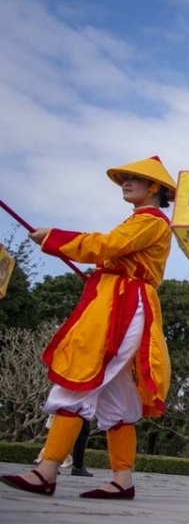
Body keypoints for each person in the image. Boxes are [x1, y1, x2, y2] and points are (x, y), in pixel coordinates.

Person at [2, 157, 175, 500]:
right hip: (115, 299)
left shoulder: (151, 220)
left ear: (153, 188)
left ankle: (46, 471)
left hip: (123, 306)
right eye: (124, 178)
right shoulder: (141, 221)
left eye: (133, 179)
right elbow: (112, 252)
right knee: (116, 398)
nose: (125, 183)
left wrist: (54, 238)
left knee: (83, 379)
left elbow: (106, 245)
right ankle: (122, 480)